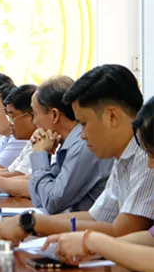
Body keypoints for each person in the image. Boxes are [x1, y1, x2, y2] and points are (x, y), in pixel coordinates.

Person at [0, 64, 154, 243]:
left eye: (84, 123)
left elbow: (121, 232)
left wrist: (34, 224)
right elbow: (96, 217)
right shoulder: (121, 156)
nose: (83, 135)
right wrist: (28, 222)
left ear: (112, 116)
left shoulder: (145, 157)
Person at [42, 94, 154, 270]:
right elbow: (149, 238)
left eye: (84, 124)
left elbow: (55, 199)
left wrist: (94, 243)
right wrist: (92, 247)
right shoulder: (120, 159)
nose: (150, 164)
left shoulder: (138, 159)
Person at [27, 76, 112, 214]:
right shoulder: (68, 144)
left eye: (35, 114)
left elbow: (51, 203)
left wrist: (39, 153)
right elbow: (39, 200)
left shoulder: (83, 144)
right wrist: (44, 155)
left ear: (54, 115)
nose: (34, 122)